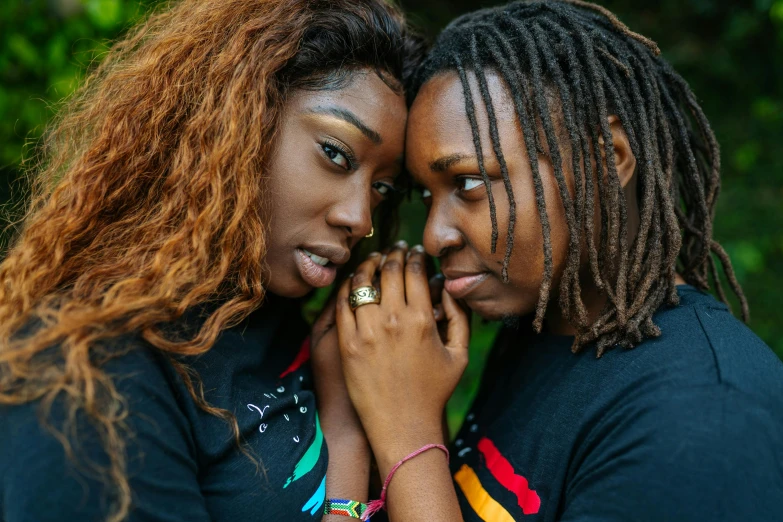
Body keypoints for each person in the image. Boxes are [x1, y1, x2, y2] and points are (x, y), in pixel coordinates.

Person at [332, 1, 783, 521]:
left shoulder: (705, 423)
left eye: (469, 183)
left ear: (608, 159)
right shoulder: (541, 326)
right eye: (426, 197)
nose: (434, 236)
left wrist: (407, 431)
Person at [0, 0, 421, 520]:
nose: (361, 218)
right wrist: (347, 438)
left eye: (381, 187)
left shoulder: (286, 319)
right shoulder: (84, 374)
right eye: (336, 154)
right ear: (240, 122)